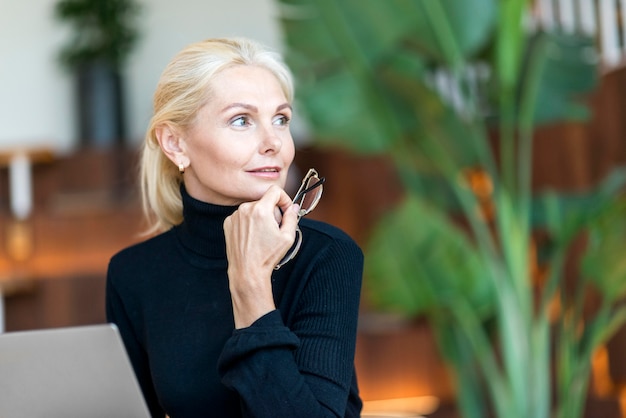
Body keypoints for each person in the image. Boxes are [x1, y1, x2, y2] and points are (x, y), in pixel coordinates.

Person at [105, 37, 364, 418]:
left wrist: (250, 286)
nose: (273, 142)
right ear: (176, 144)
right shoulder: (133, 274)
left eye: (281, 119)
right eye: (241, 120)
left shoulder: (326, 256)